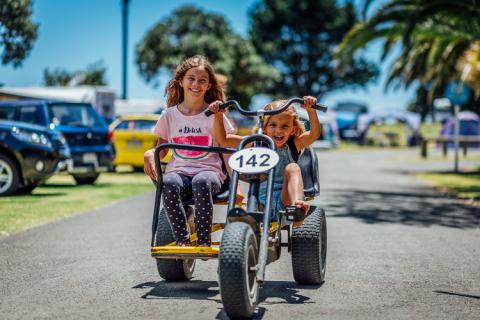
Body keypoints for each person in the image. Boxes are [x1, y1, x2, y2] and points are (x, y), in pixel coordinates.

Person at [143, 55, 236, 247]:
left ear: (209, 86)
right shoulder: (169, 115)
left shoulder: (214, 115)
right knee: (168, 181)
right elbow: (160, 147)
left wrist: (237, 185)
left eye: (202, 80)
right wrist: (150, 154)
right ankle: (183, 242)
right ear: (181, 81)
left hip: (210, 173)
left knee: (201, 181)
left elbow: (226, 148)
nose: (196, 84)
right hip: (180, 172)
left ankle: (203, 241)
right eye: (191, 79)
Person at [208, 96, 320, 227]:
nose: (278, 130)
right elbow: (223, 140)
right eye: (273, 125)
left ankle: (298, 207)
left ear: (293, 129)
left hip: (285, 203)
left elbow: (314, 134)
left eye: (285, 126)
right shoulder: (256, 142)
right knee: (238, 216)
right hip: (258, 203)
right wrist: (218, 116)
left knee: (292, 167)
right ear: (265, 127)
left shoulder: (294, 144)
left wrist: (311, 111)